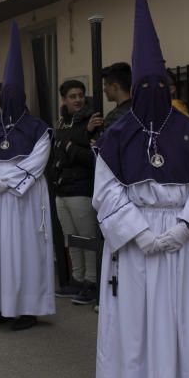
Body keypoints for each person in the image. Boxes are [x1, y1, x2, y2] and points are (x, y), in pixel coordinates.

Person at [93, 0, 189, 378]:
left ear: (168, 83)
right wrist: (140, 233)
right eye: (144, 83)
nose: (152, 89)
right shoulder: (117, 134)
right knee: (135, 322)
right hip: (137, 241)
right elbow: (106, 191)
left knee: (184, 320)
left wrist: (184, 229)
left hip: (180, 240)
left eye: (159, 83)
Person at [0, 23, 54, 330]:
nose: (7, 100)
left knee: (26, 251)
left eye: (13, 94)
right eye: (4, 95)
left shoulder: (37, 128)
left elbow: (37, 161)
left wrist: (9, 183)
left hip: (24, 197)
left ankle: (27, 308)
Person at [71, 62, 134, 306]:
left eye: (107, 87)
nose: (105, 92)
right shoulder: (127, 114)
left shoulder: (119, 117)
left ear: (115, 86)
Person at [50, 79, 98, 299]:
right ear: (64, 99)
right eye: (72, 96)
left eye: (80, 95)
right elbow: (57, 152)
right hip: (62, 190)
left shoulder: (93, 121)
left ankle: (92, 281)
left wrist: (69, 145)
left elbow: (93, 158)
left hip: (82, 189)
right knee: (71, 239)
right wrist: (71, 145)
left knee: (87, 238)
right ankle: (77, 279)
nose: (77, 100)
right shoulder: (61, 122)